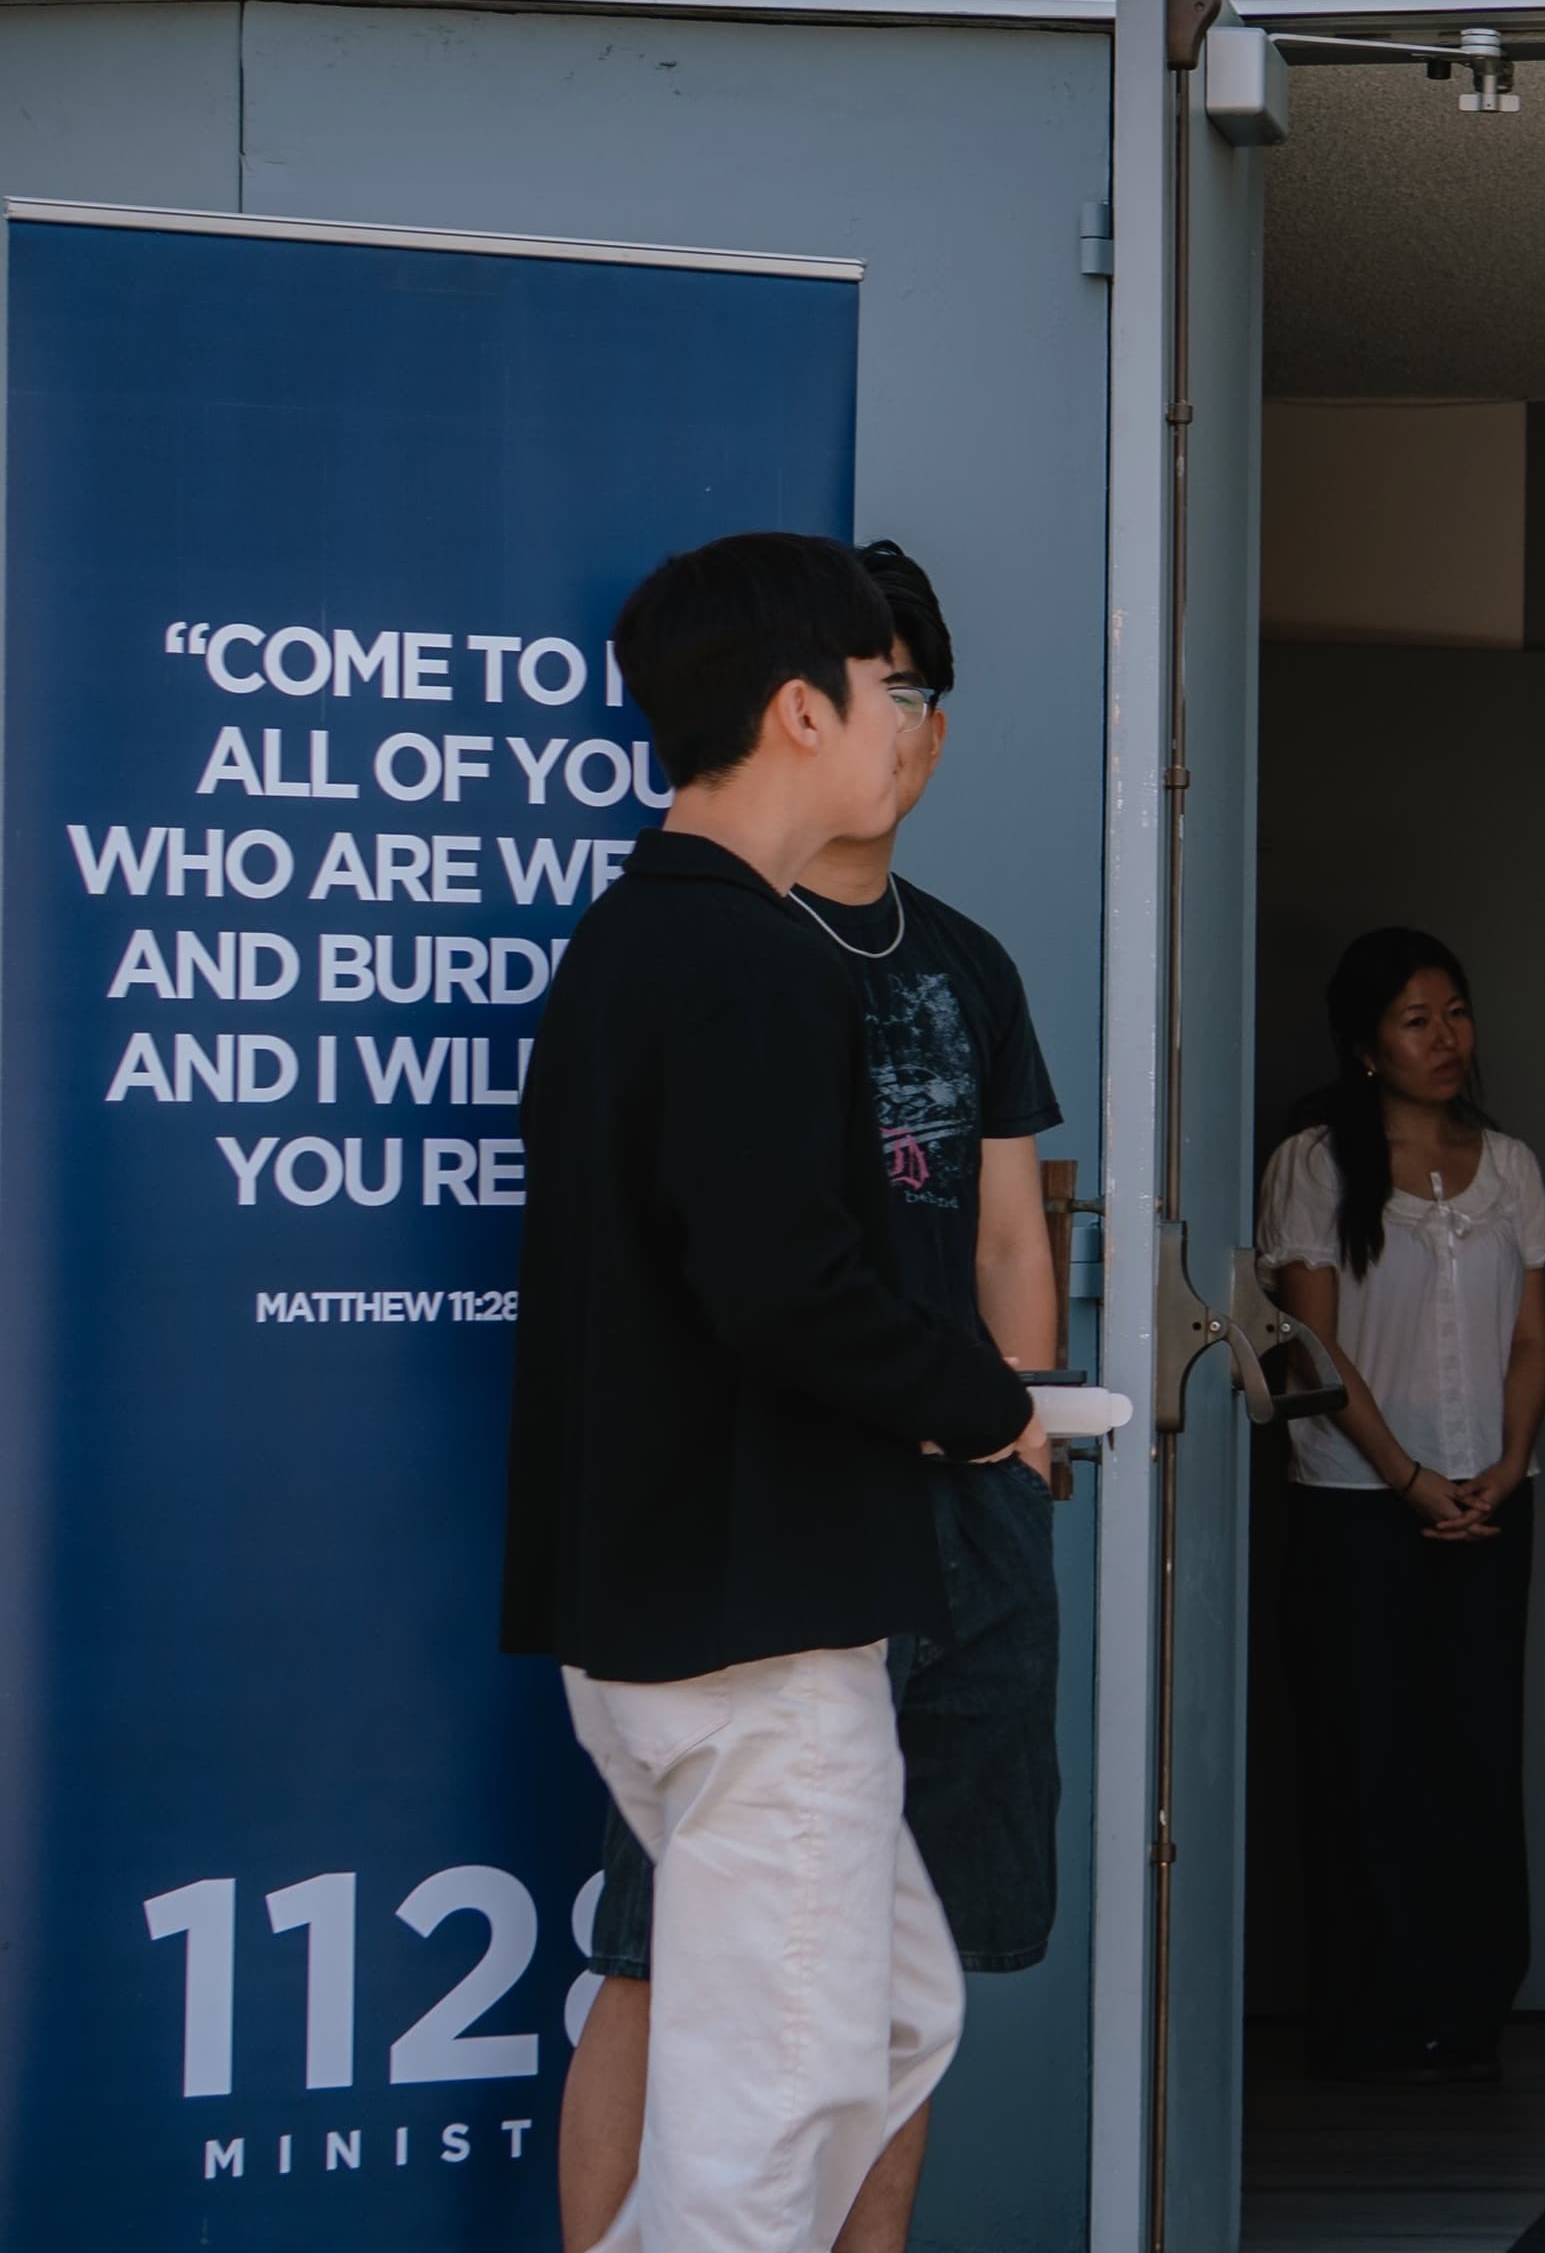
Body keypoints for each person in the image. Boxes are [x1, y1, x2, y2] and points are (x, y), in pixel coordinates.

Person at [502, 532, 1046, 2253]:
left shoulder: (642, 945)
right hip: (752, 1638)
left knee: (894, 2019)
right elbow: (784, 1294)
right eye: (892, 691)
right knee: (773, 2111)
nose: (913, 722)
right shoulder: (747, 963)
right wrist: (988, 1406)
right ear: (804, 709)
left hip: (686, 1615)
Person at [1257, 928, 1545, 2083]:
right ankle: (1369, 2014)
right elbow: (1309, 1348)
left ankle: (1469, 2007)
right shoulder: (1317, 1164)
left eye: (1457, 1012)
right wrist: (1410, 1478)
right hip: (1355, 1503)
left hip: (1492, 1497)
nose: (1446, 1038)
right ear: (1366, 1045)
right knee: (1366, 1754)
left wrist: (1502, 1462)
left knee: (1477, 1751)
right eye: (1417, 1020)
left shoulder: (1514, 1167)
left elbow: (1532, 1340)